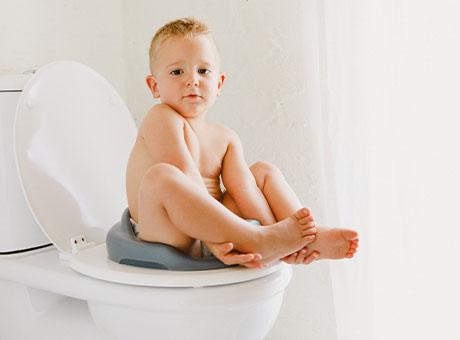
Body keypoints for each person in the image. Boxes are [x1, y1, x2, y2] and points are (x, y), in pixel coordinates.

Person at [125, 17, 359, 269]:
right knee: (162, 177)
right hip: (169, 234)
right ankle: (260, 239)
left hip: (225, 232)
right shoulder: (161, 118)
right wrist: (214, 237)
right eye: (176, 72)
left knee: (262, 172)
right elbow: (185, 175)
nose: (192, 80)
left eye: (203, 71)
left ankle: (300, 240)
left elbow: (244, 190)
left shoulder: (226, 137)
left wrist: (272, 234)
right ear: (154, 86)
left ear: (219, 84)